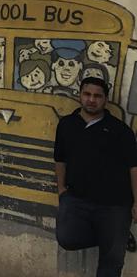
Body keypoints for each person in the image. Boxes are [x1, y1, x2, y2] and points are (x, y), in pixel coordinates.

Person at [54, 77, 137, 277]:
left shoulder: (120, 130)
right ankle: (117, 236)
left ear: (105, 99)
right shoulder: (66, 124)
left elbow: (134, 167)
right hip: (77, 200)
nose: (92, 100)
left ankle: (117, 235)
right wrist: (61, 189)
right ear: (80, 96)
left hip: (115, 205)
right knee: (67, 238)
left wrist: (136, 202)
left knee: (111, 262)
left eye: (97, 96)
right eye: (87, 94)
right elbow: (60, 158)